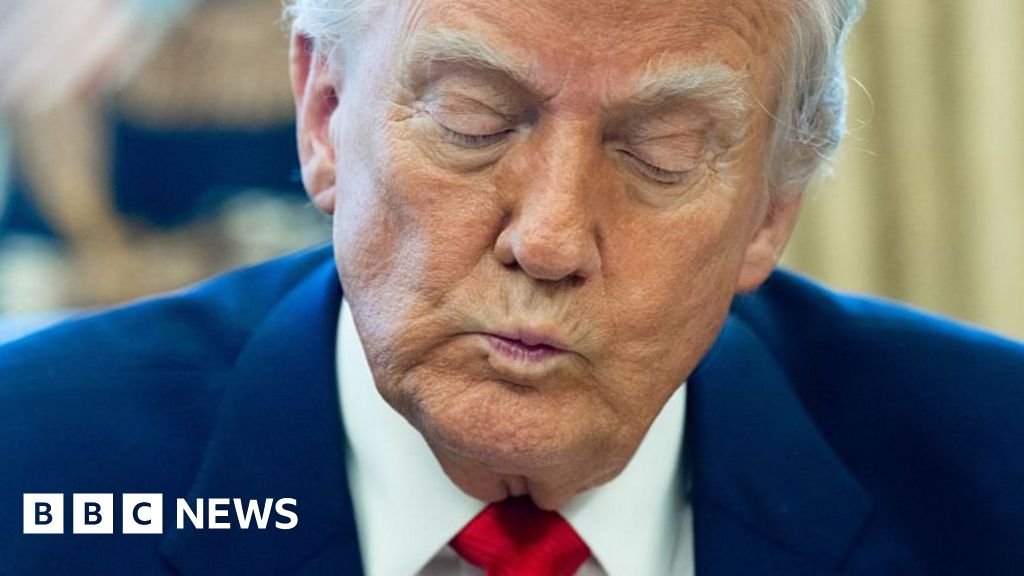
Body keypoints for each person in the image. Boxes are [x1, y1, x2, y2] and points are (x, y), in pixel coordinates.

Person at [1, 0, 1023, 574]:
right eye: (473, 121)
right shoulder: (34, 466)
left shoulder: (995, 474)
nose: (549, 239)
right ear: (323, 114)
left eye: (662, 153)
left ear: (772, 206)